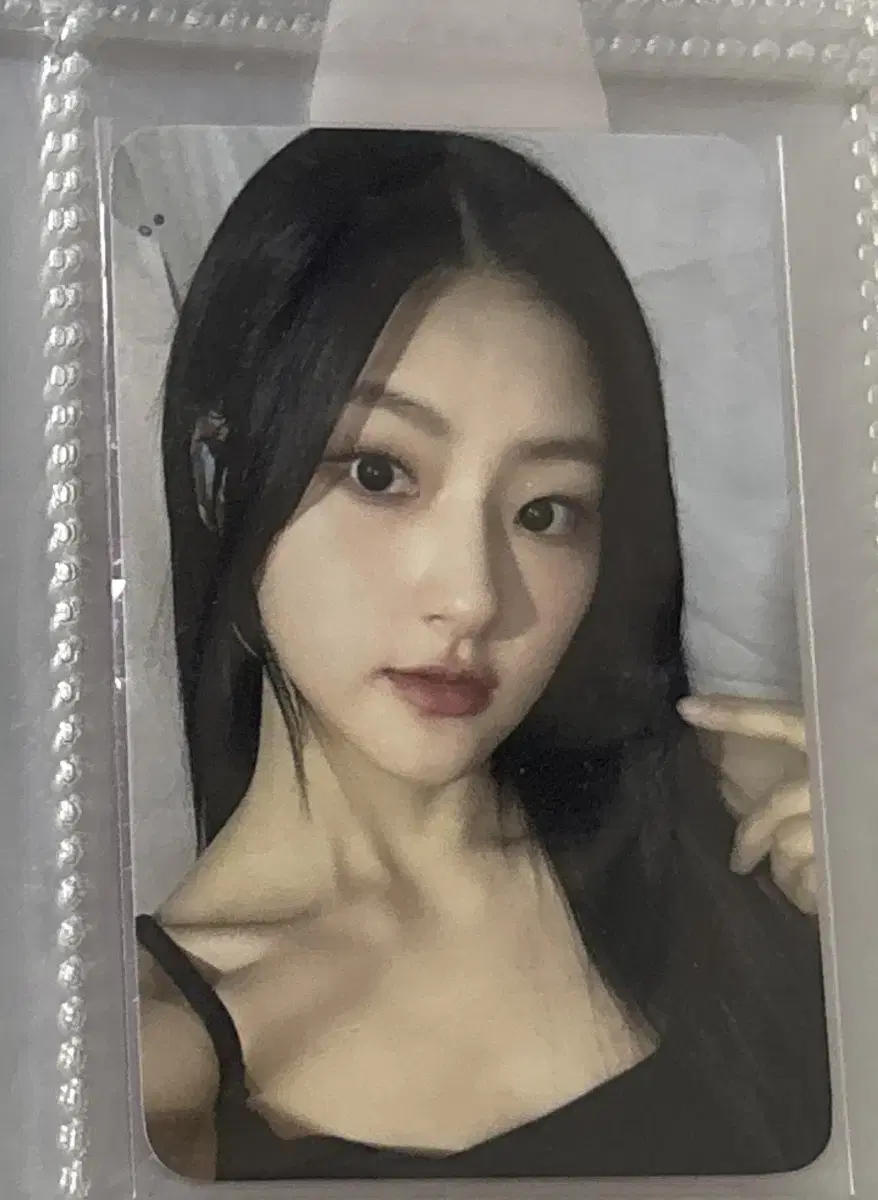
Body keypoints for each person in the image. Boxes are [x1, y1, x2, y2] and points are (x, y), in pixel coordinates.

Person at [136, 128, 830, 1182]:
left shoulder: (753, 830)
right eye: (379, 474)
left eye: (544, 511)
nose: (470, 597)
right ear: (216, 474)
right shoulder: (152, 1078)